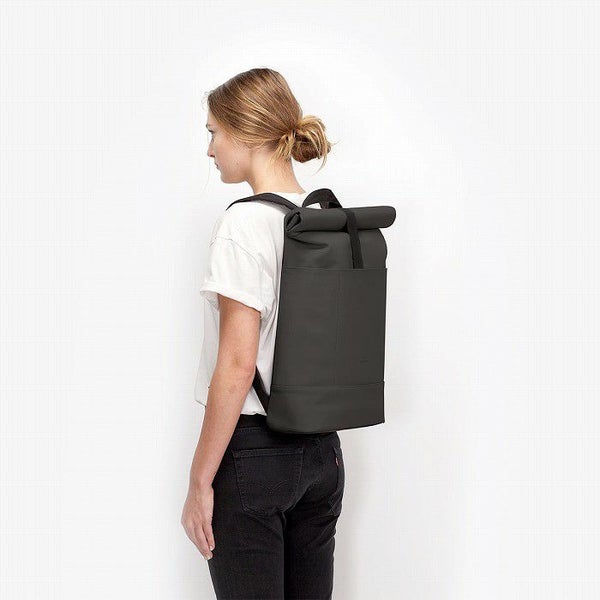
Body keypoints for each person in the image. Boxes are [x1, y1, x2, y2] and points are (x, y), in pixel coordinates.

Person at [180, 67, 345, 599]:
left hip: (255, 455)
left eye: (214, 133)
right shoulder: (324, 217)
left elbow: (237, 363)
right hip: (322, 453)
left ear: (246, 132)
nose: (210, 149)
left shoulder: (244, 224)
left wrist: (200, 480)